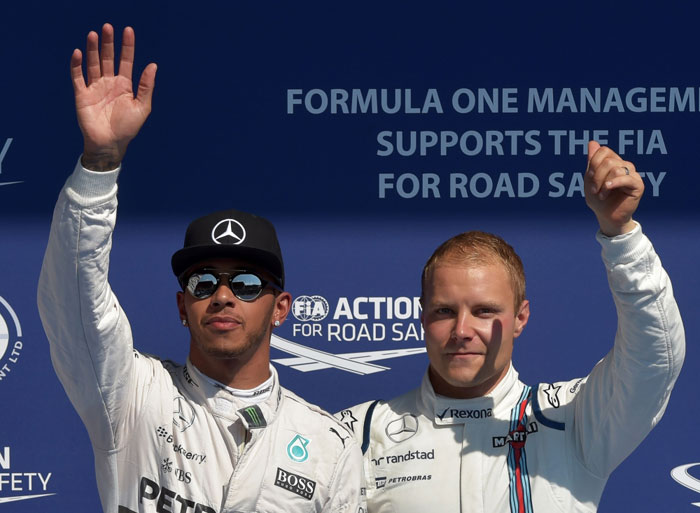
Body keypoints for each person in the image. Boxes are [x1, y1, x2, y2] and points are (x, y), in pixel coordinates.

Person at [38, 24, 364, 513]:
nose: (224, 295)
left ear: (280, 309)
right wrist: (100, 162)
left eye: (248, 283)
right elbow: (75, 297)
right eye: (203, 281)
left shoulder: (328, 444)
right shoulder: (131, 397)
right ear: (182, 306)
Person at [337, 141, 685, 512]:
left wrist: (622, 237)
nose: (462, 330)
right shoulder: (355, 433)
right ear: (422, 317)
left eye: (485, 311)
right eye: (444, 311)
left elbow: (654, 358)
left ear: (520, 318)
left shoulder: (574, 420)